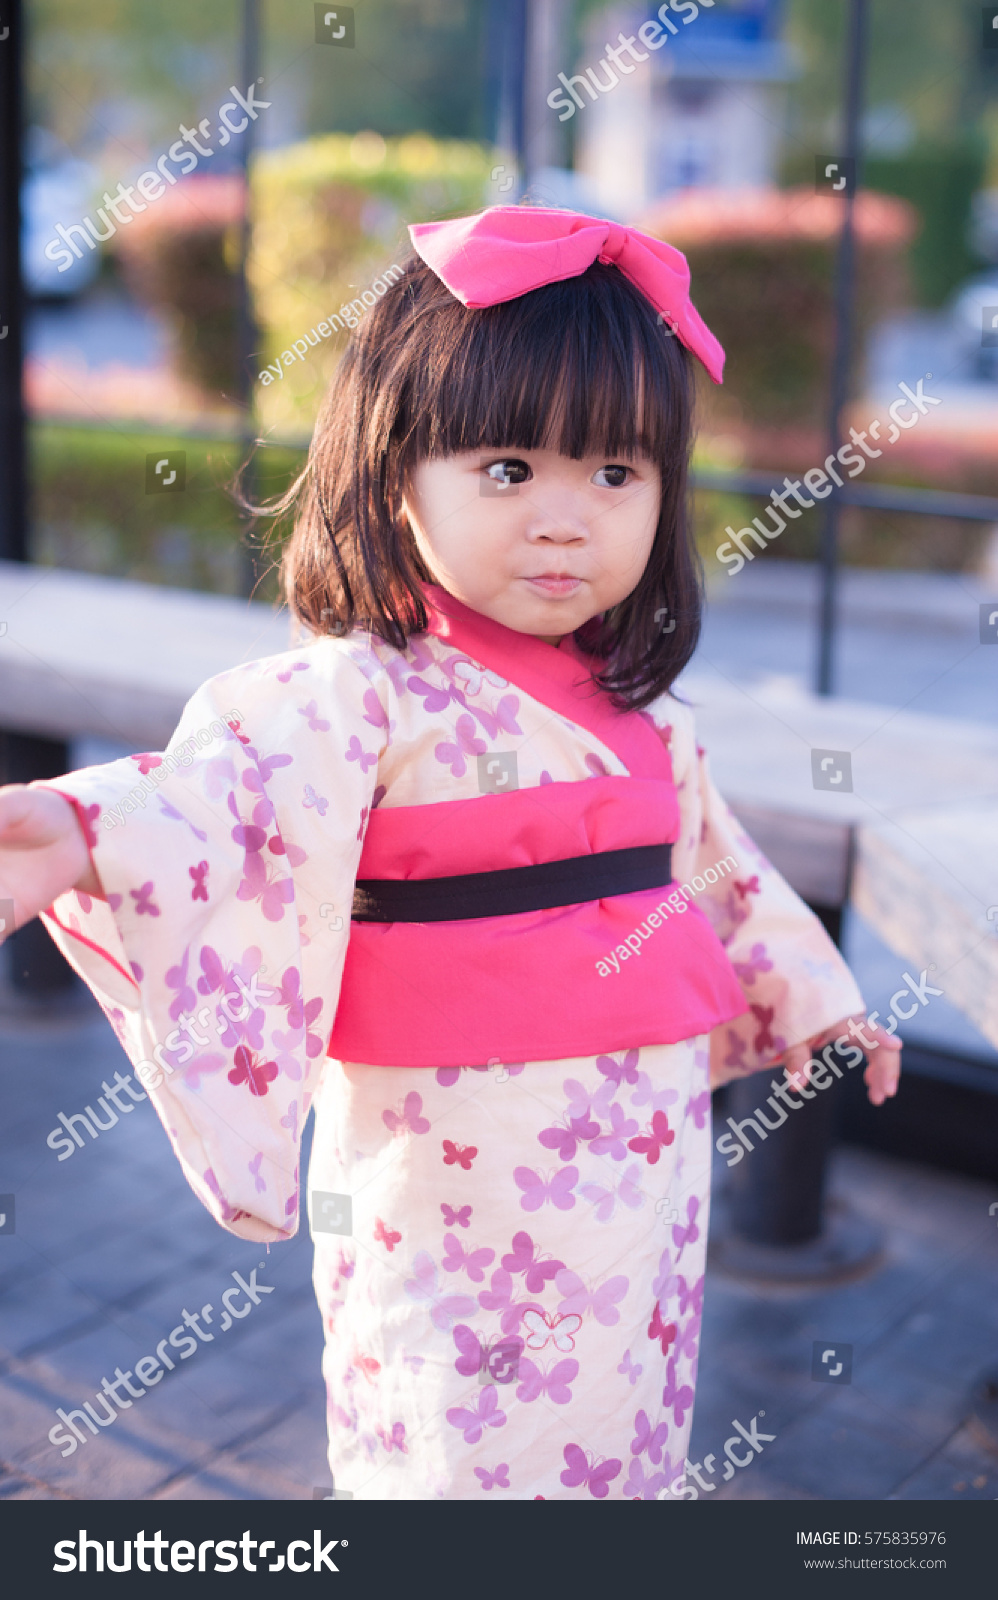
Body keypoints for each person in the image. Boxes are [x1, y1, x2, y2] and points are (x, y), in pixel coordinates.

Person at [0, 206, 900, 1500]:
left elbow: (707, 866)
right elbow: (216, 806)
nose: (563, 520)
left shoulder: (631, 705)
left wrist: (811, 995)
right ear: (390, 471)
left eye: (614, 475)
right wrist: (78, 830)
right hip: (450, 1166)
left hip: (641, 1151)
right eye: (505, 470)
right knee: (455, 1430)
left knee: (626, 1414)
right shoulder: (356, 694)